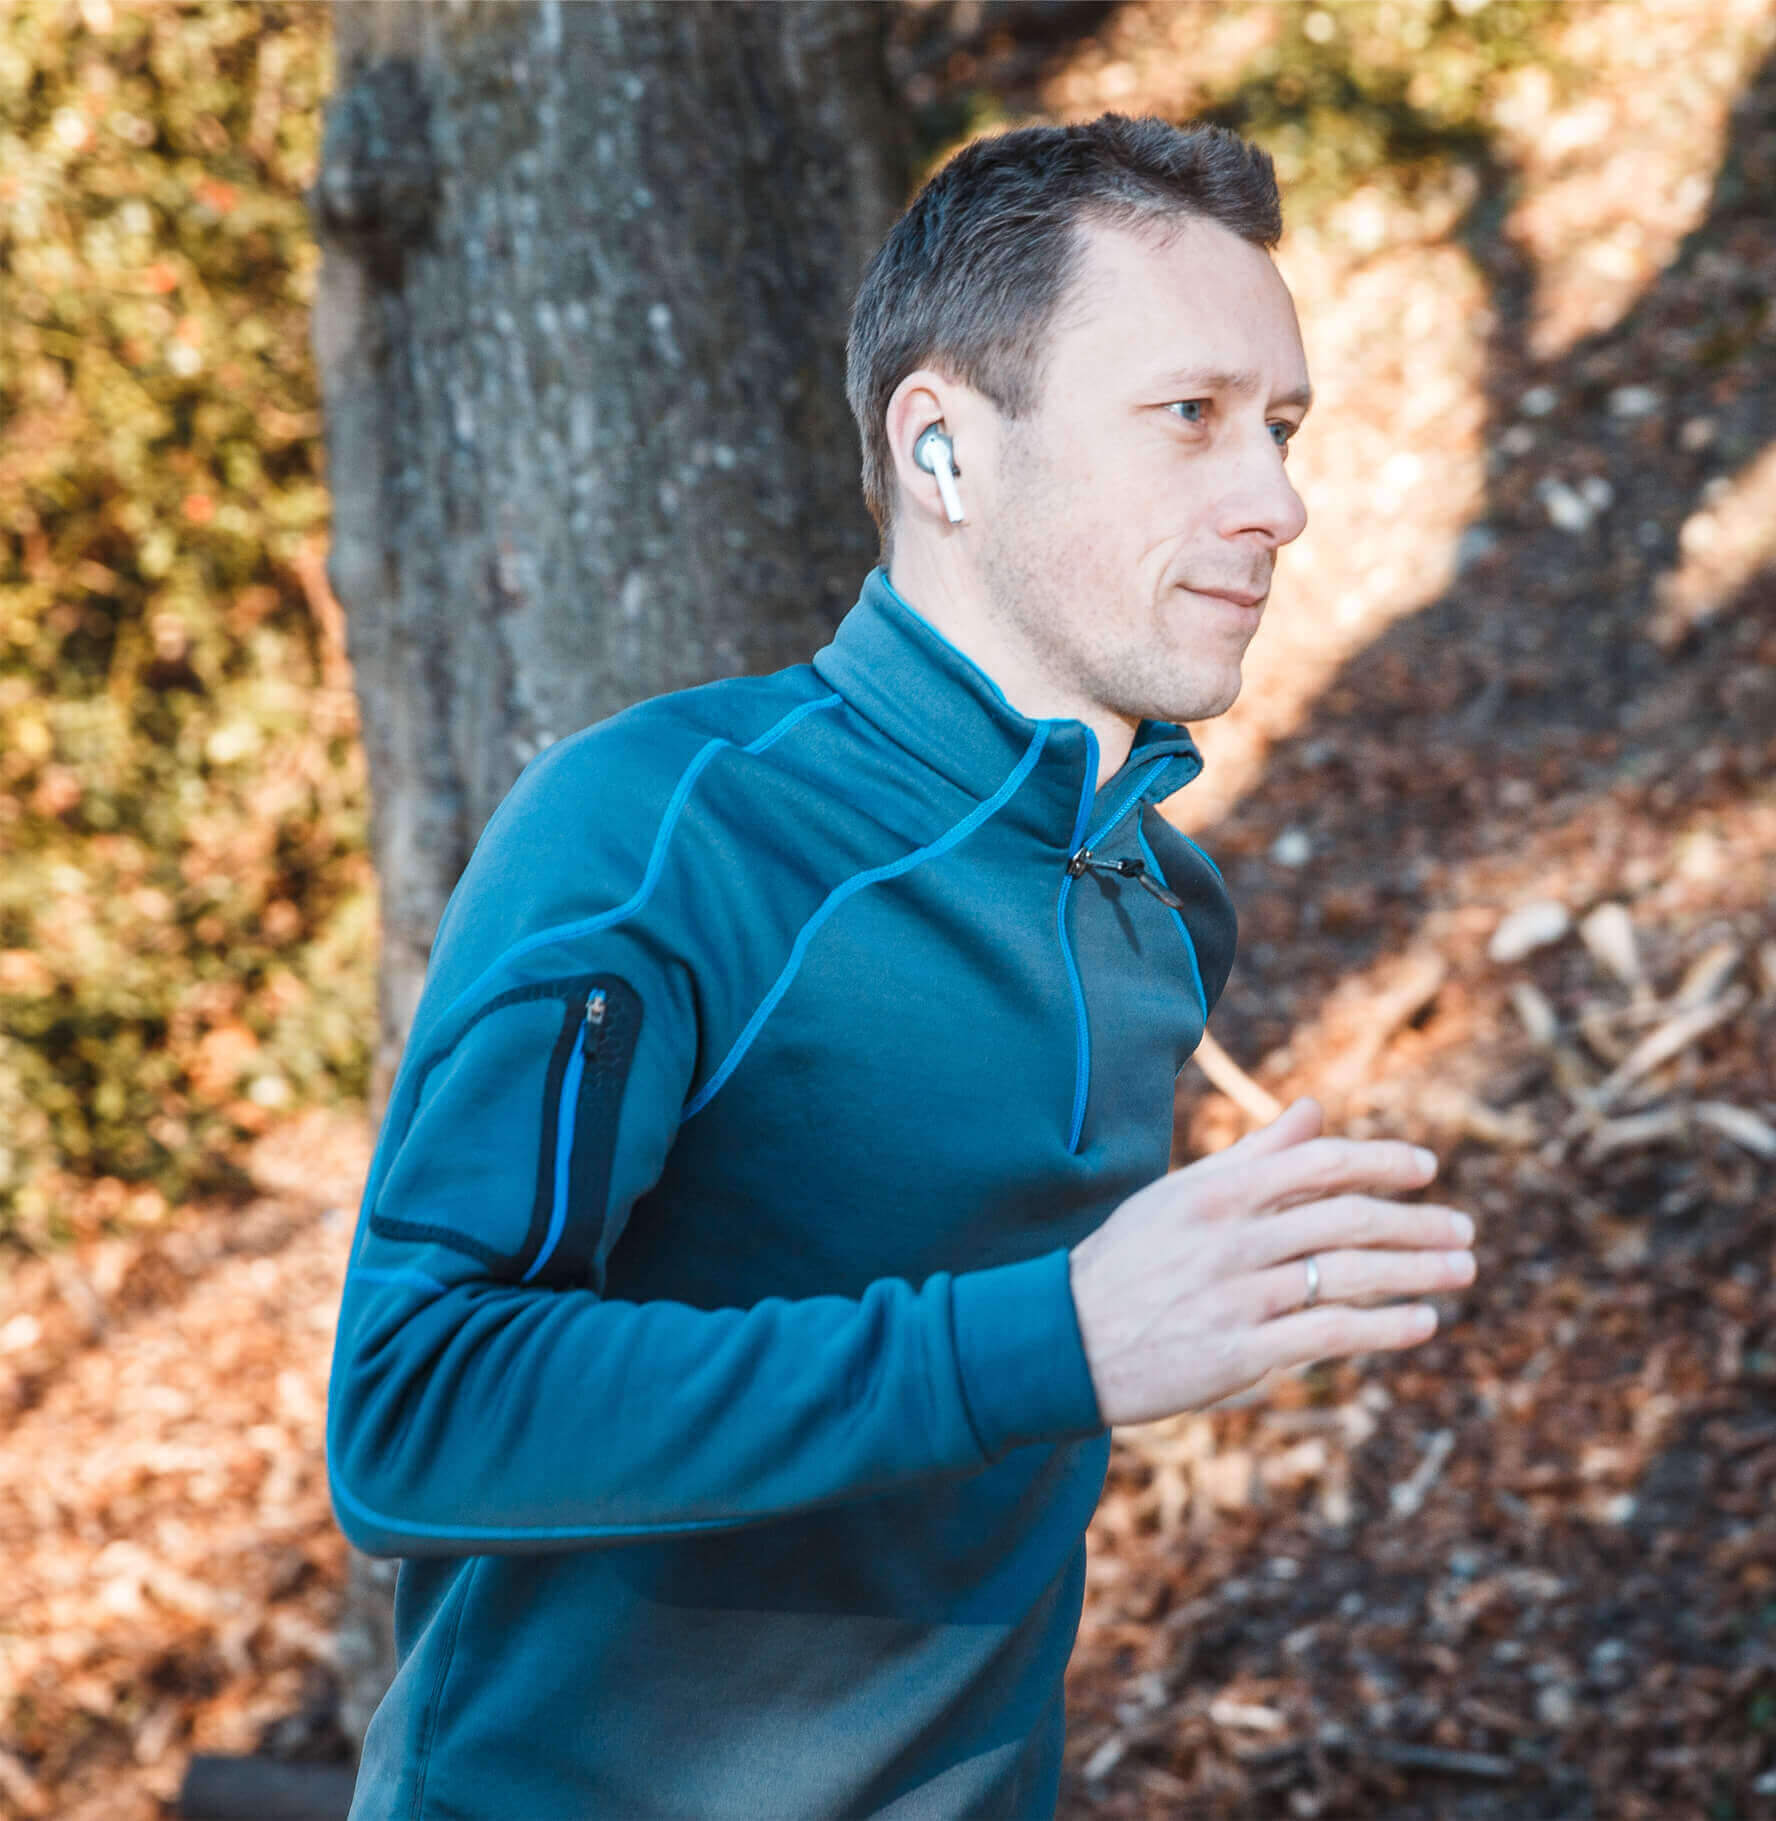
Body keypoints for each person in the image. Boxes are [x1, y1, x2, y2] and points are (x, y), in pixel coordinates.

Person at [327, 113, 1478, 1820]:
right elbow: (414, 1411)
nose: (1280, 500)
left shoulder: (1162, 904)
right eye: (1191, 420)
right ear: (941, 450)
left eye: (1283, 426)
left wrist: (1115, 1338)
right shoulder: (664, 831)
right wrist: (1060, 1335)